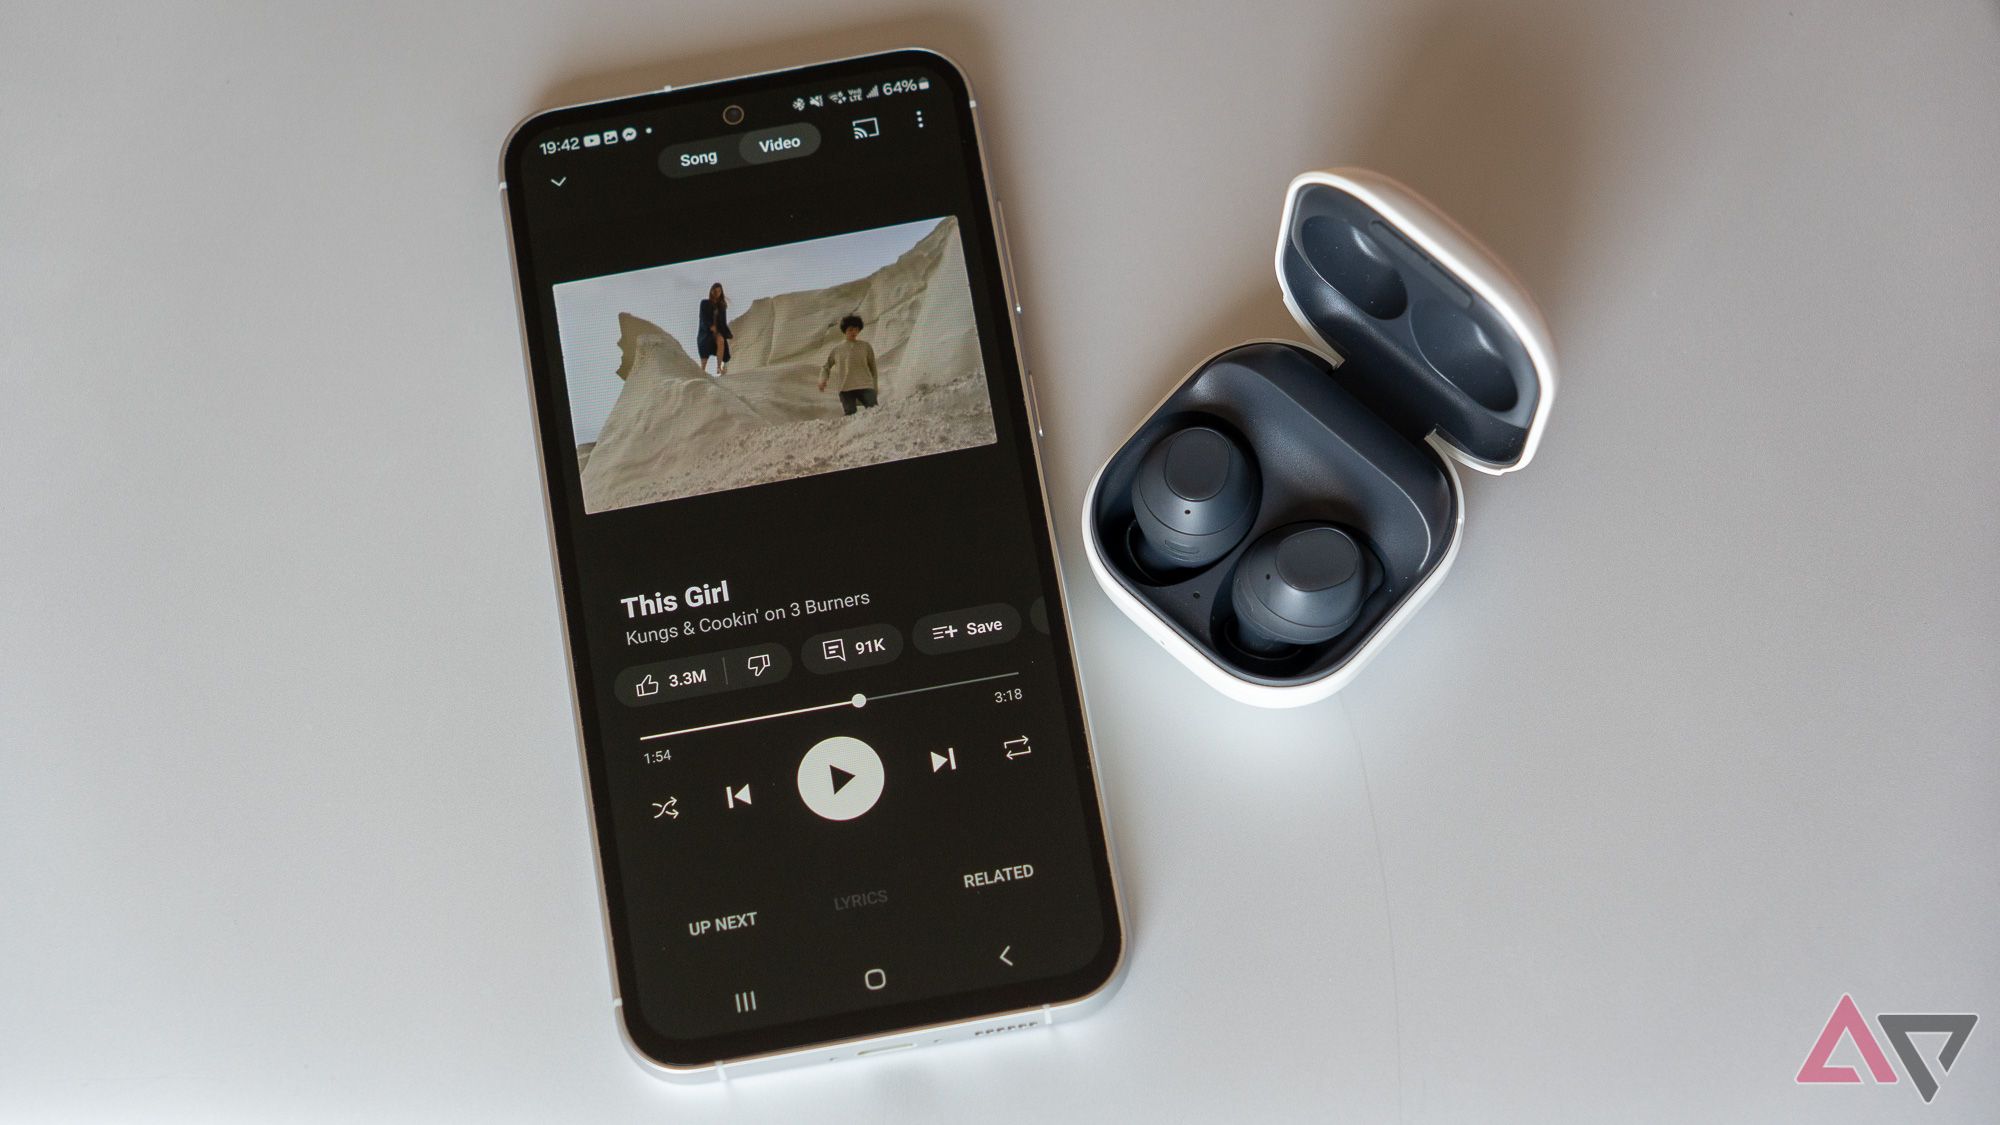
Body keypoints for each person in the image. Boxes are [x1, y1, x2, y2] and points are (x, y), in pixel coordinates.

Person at [818, 314, 879, 414]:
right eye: (850, 329)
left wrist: (875, 388)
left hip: (865, 385)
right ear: (844, 331)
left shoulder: (866, 346)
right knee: (850, 415)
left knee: (875, 412)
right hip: (845, 388)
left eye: (856, 329)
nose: (853, 332)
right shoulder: (837, 349)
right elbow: (826, 366)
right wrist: (822, 380)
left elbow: (873, 369)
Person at [697, 283, 732, 375]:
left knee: (721, 341)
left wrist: (728, 334)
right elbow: (703, 318)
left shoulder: (722, 307)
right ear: (712, 291)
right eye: (715, 291)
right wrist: (710, 326)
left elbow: (723, 322)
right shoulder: (704, 303)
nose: (717, 293)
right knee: (705, 352)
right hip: (706, 332)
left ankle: (718, 367)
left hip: (717, 332)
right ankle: (702, 370)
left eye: (719, 291)